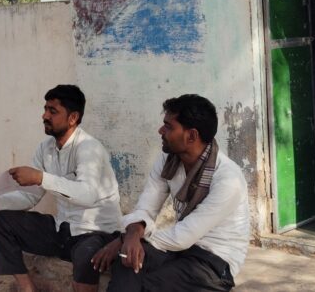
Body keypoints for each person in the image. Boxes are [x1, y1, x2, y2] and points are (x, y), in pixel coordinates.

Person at [0, 85, 122, 292]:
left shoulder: (89, 148)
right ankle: (28, 288)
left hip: (94, 232)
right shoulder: (45, 148)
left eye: (53, 111)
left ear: (73, 118)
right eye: (45, 109)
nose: (45, 116)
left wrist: (41, 178)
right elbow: (29, 197)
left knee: (87, 255)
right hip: (62, 230)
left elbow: (87, 195)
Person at [91, 94, 250, 292]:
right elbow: (146, 209)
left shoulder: (228, 179)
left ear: (191, 136)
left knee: (151, 284)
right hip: (180, 250)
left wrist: (126, 238)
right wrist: (132, 234)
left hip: (213, 260)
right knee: (127, 259)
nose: (161, 131)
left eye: (168, 126)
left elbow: (184, 236)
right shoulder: (168, 160)